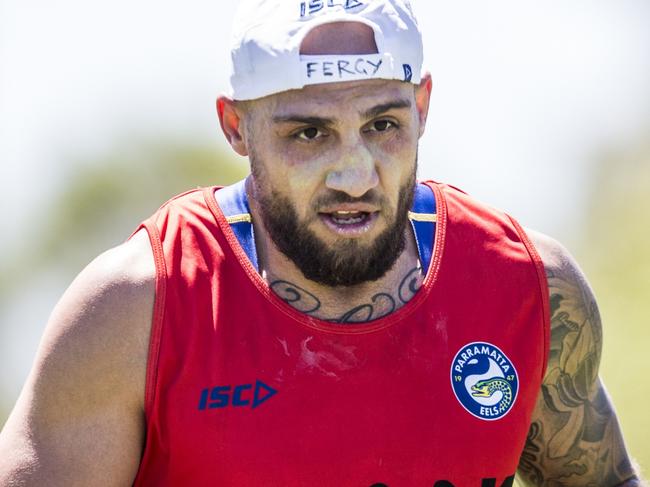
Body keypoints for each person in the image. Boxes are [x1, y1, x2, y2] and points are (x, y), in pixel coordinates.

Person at [0, 0, 645, 485]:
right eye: (308, 134)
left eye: (383, 124)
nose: (354, 175)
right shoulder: (135, 309)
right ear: (235, 126)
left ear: (423, 106)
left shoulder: (527, 289)